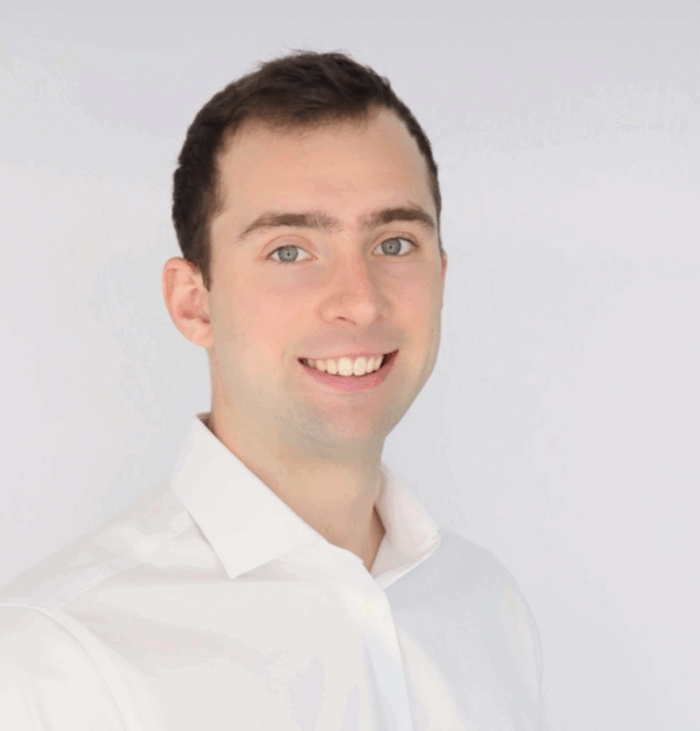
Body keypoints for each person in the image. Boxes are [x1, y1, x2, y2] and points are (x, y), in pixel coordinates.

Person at [0, 49, 545, 730]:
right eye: (289, 250)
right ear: (194, 303)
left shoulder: (486, 606)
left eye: (395, 243)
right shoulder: (55, 662)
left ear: (441, 274)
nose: (359, 301)